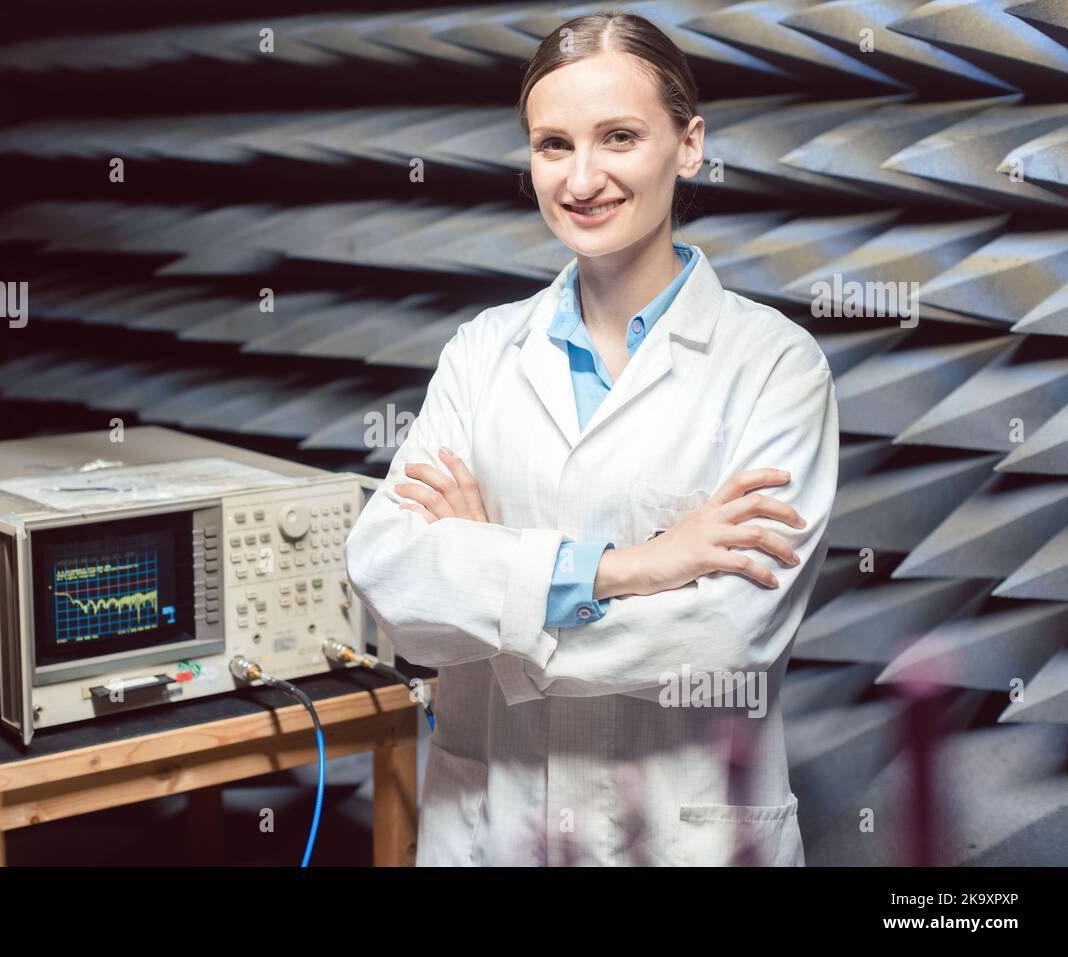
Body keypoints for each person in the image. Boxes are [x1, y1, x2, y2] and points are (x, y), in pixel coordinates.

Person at [343, 11, 839, 866]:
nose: (582, 179)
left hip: (686, 838)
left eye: (619, 137)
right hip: (492, 832)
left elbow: (724, 637)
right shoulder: (481, 351)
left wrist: (488, 571)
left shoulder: (774, 366)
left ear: (689, 145)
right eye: (552, 144)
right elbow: (390, 584)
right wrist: (630, 567)